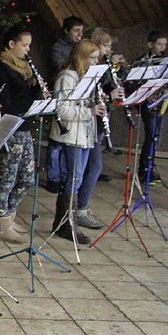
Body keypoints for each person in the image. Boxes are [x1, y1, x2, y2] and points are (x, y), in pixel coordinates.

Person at [50, 39, 106, 244]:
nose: (95, 61)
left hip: (84, 134)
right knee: (73, 179)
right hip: (71, 135)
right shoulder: (67, 77)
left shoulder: (86, 77)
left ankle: (63, 222)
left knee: (77, 178)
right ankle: (66, 224)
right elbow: (62, 109)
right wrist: (89, 111)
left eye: (97, 58)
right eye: (92, 57)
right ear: (82, 57)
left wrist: (98, 104)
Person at [0, 24, 42, 244]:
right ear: (12, 44)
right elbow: (6, 103)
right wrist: (29, 102)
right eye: (24, 45)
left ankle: (10, 215)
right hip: (11, 127)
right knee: (9, 175)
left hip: (25, 126)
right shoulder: (2, 68)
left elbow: (27, 95)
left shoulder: (24, 67)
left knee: (27, 177)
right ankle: (2, 223)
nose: (27, 50)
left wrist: (37, 90)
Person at [75, 28, 125, 229]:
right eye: (105, 46)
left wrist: (106, 98)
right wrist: (106, 98)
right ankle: (78, 210)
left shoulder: (99, 69)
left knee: (91, 168)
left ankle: (80, 208)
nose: (107, 51)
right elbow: (78, 103)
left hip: (94, 123)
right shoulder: (84, 73)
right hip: (84, 126)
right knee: (88, 170)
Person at [46, 16, 85, 193]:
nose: (80, 34)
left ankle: (62, 176)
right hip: (60, 89)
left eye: (81, 31)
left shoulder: (78, 46)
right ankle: (53, 178)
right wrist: (76, 60)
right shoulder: (57, 47)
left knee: (65, 144)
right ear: (67, 31)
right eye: (76, 30)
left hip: (71, 91)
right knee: (56, 143)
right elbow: (60, 65)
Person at [133, 30, 168, 184]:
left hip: (160, 102)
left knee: (157, 136)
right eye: (159, 44)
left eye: (165, 44)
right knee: (151, 136)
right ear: (150, 44)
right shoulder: (141, 61)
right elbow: (134, 83)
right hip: (147, 104)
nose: (163, 47)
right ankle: (144, 169)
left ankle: (150, 166)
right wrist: (148, 94)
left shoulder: (165, 60)